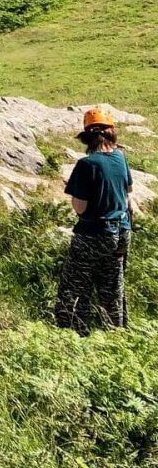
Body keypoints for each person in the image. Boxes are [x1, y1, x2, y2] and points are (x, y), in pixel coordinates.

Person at [55, 107, 134, 335]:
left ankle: (72, 334)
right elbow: (129, 193)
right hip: (122, 232)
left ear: (86, 136)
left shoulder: (86, 165)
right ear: (111, 133)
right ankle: (115, 334)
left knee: (74, 286)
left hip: (94, 233)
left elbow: (81, 208)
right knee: (112, 288)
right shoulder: (120, 158)